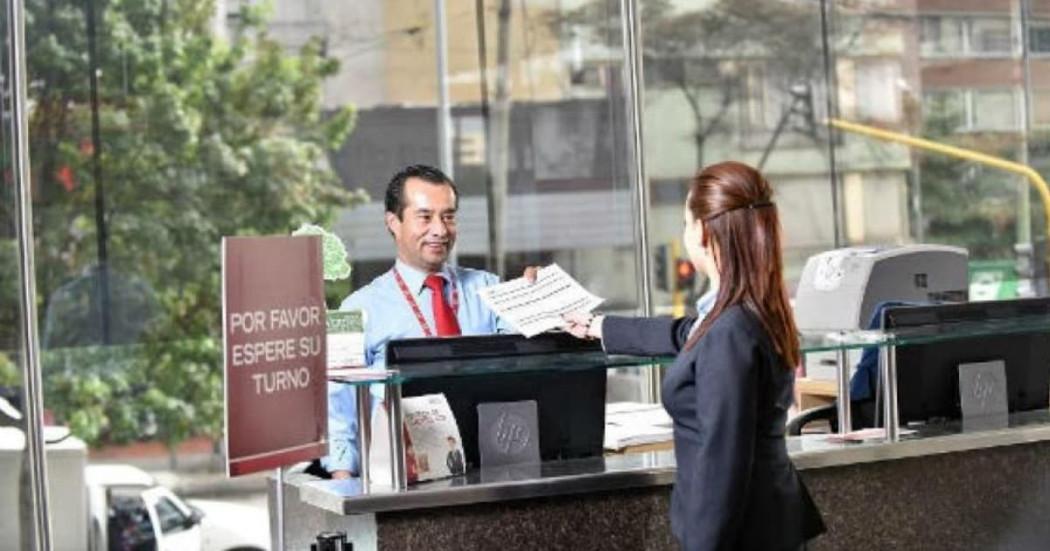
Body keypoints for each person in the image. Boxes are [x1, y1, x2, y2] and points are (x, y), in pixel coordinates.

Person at [564, 161, 825, 550]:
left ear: (702, 231)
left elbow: (723, 465)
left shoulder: (731, 330)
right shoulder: (750, 311)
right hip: (769, 525)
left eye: (686, 222)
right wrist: (599, 327)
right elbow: (688, 332)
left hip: (740, 536)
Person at [322, 164, 518, 480]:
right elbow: (337, 415)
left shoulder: (491, 289)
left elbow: (530, 358)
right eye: (425, 217)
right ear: (393, 222)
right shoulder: (352, 310)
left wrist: (537, 300)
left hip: (493, 466)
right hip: (402, 476)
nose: (440, 229)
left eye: (449, 216)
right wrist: (347, 487)